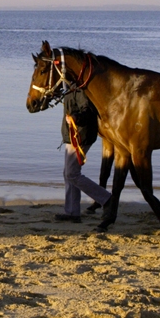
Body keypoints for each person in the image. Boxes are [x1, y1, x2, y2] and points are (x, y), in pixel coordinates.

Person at [57, 91, 112, 222]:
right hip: (72, 136)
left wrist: (75, 118)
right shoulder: (70, 87)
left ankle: (107, 199)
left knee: (72, 174)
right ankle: (72, 212)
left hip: (80, 136)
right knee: (68, 173)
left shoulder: (80, 89)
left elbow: (88, 111)